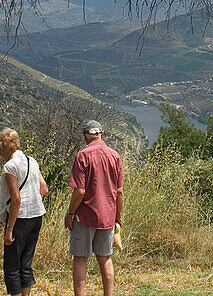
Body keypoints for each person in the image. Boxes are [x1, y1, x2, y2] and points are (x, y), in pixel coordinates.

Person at [66, 120, 124, 296]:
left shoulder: (82, 156)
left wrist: (70, 213)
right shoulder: (114, 156)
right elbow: (119, 192)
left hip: (84, 217)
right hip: (107, 216)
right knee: (105, 258)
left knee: (80, 258)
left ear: (85, 137)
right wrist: (118, 218)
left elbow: (80, 190)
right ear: (102, 135)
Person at [0, 128, 49, 296]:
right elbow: (44, 189)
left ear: (5, 148)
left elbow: (16, 199)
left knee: (12, 266)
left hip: (20, 219)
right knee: (25, 263)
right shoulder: (31, 161)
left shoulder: (10, 166)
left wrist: (9, 229)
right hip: (36, 216)